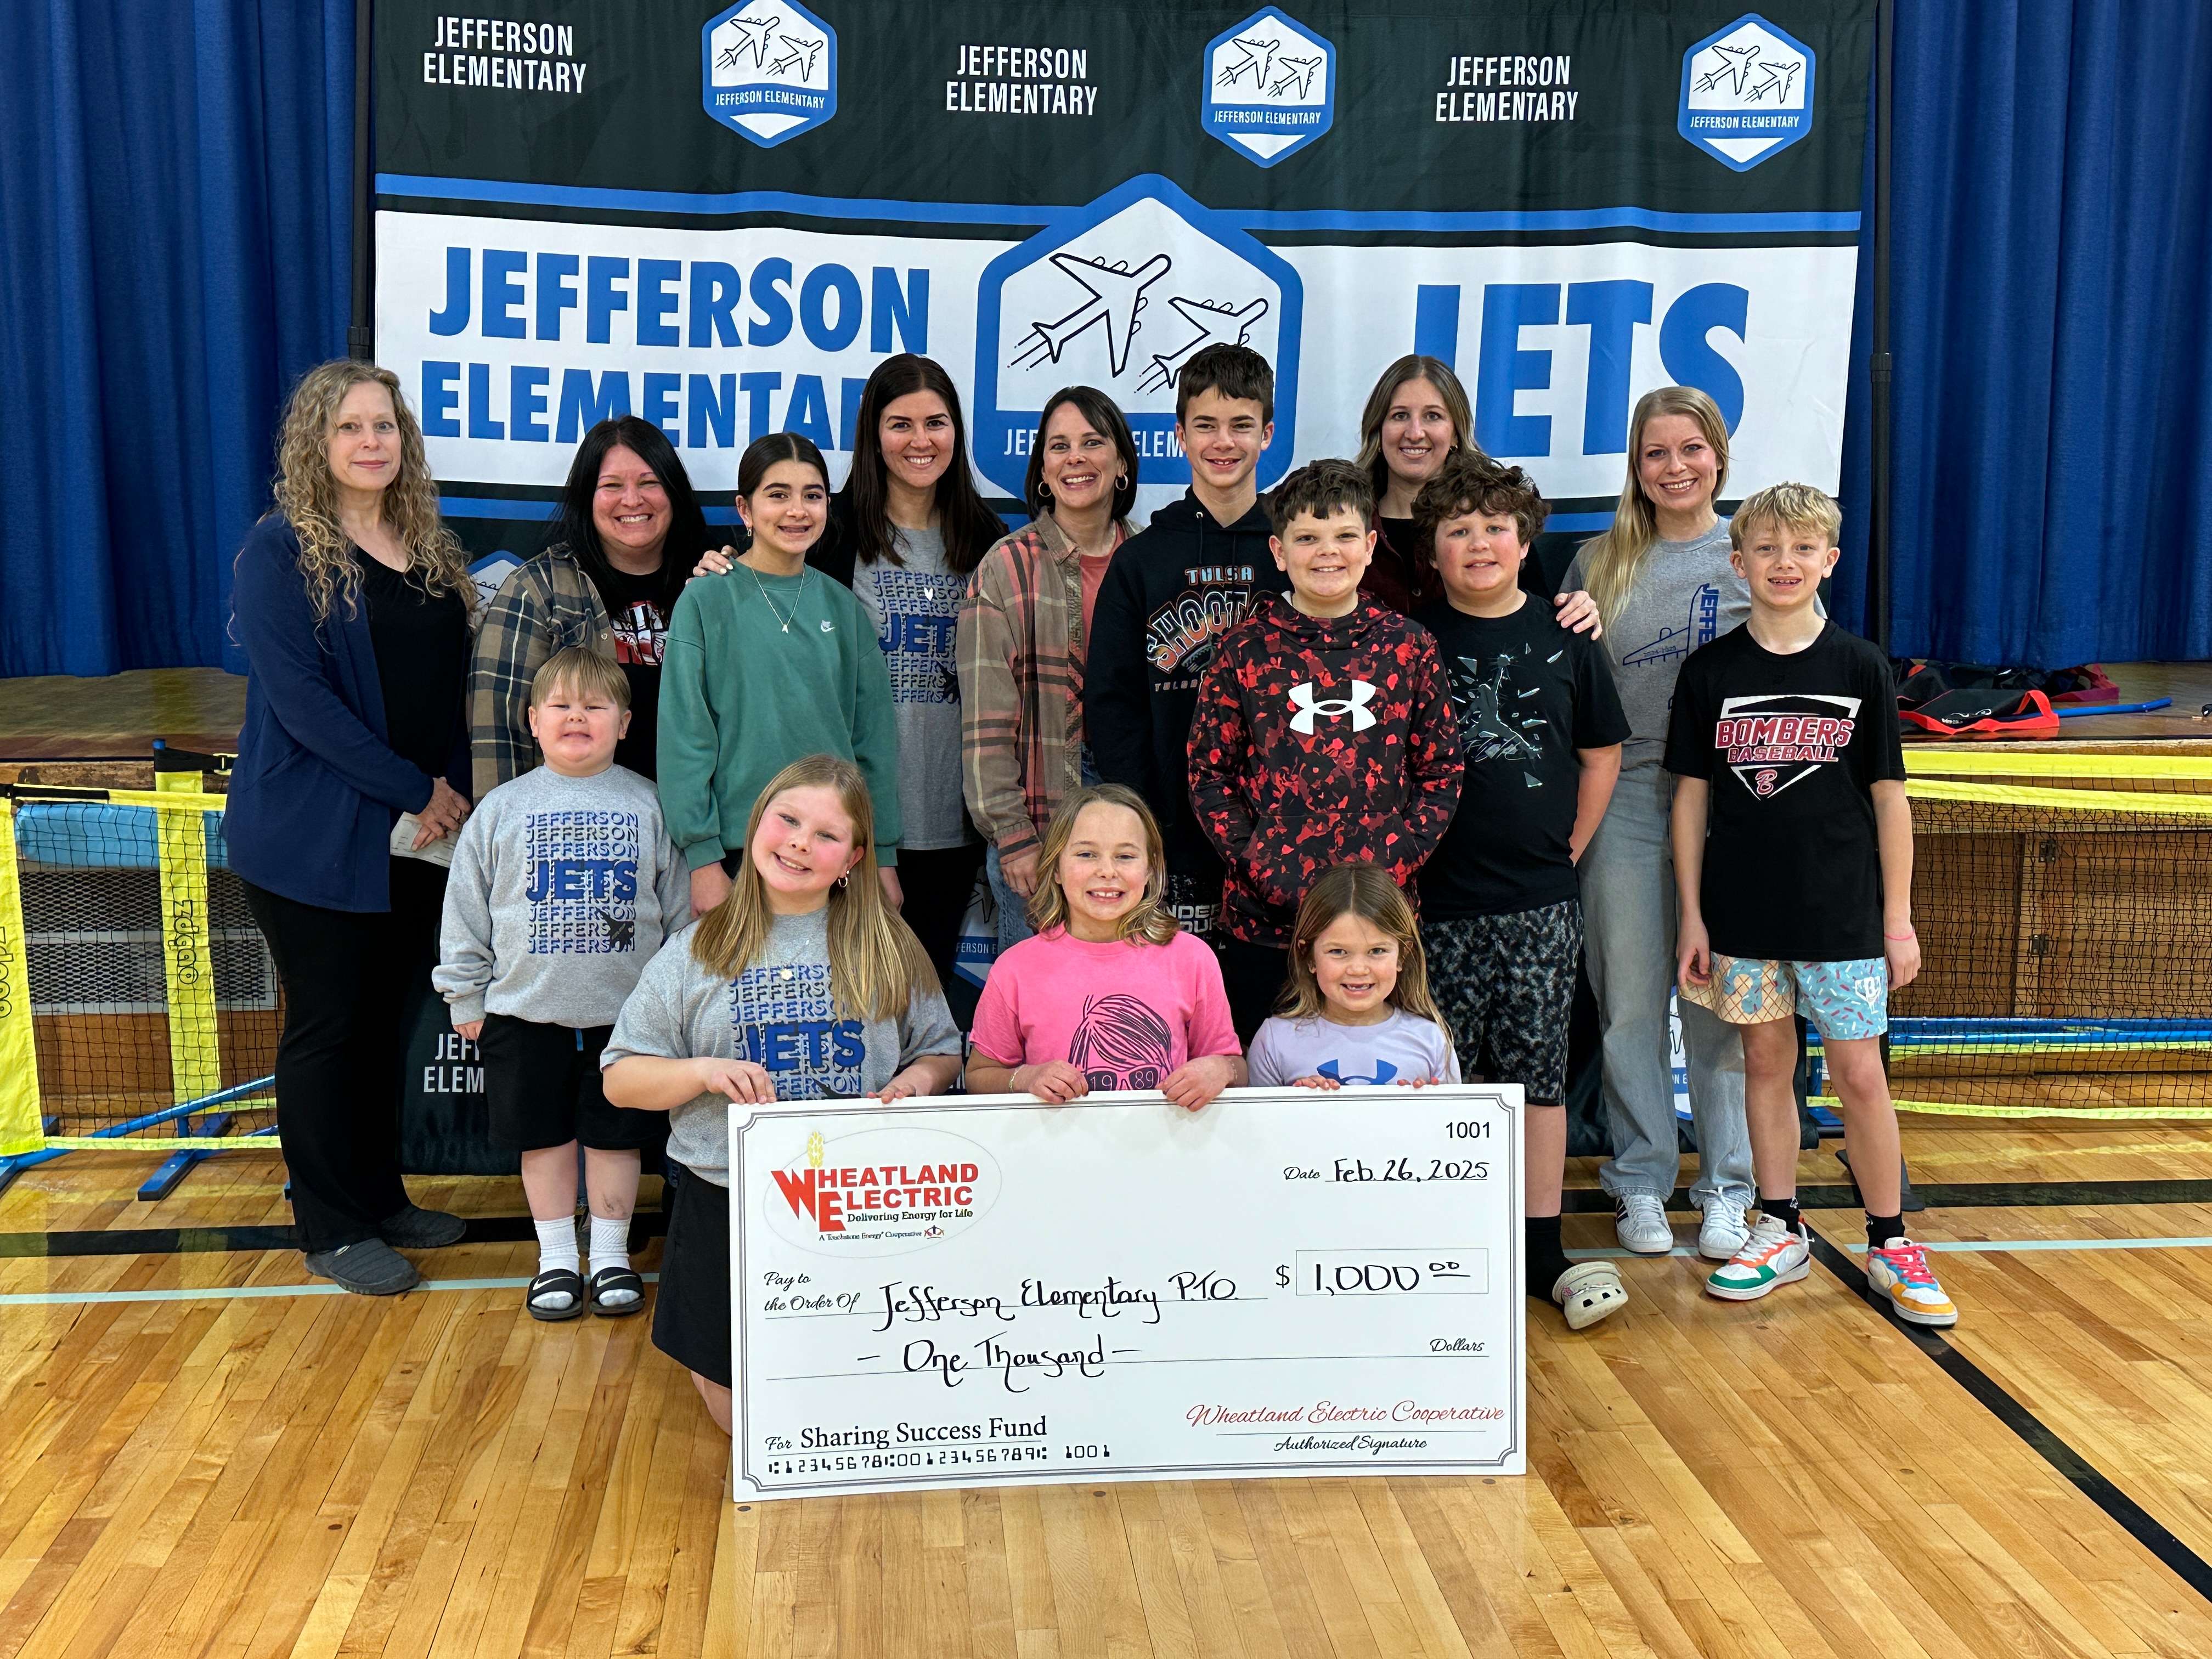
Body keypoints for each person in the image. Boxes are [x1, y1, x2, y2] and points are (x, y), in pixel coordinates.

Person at [601, 755, 964, 1432]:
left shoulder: (887, 945)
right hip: (726, 1195)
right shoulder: (696, 949)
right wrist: (703, 1073)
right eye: (788, 819)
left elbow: (942, 1049)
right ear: (757, 823)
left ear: (854, 858)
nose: (800, 841)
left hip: (860, 1202)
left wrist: (915, 1081)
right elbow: (620, 1078)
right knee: (733, 1400)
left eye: (826, 835)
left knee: (860, 1379)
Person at [1667, 484, 1956, 1327]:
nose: (1783, 564)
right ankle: (1780, 1225)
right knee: (1765, 1066)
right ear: (1739, 562)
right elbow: (1689, 801)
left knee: (1861, 1075)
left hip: (1843, 919)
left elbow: (1891, 800)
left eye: (1801, 550)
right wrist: (1692, 913)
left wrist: (1895, 918)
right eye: (1765, 549)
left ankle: (1891, 1238)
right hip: (1742, 917)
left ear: (1829, 561)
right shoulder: (1710, 672)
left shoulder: (1859, 665)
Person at [227, 360, 472, 1296]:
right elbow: (304, 706)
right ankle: (330, 1224)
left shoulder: (429, 546)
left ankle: (379, 1196)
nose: (372, 441)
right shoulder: (279, 551)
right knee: (329, 1026)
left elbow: (448, 682)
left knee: (382, 1025)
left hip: (418, 833)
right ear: (315, 444)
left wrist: (447, 790)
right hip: (310, 835)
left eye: (385, 426)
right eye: (350, 427)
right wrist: (416, 788)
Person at [1409, 455, 1632, 1331]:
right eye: (1458, 529)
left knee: (1537, 1077)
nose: (1478, 543)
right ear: (1432, 547)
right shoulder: (1411, 640)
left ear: (1524, 537)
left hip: (1541, 900)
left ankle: (1544, 1250)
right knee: (1449, 1074)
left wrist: (1568, 849)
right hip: (1437, 904)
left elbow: (1602, 751)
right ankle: (1453, 1242)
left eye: (1494, 527)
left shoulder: (1567, 633)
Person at [434, 648, 691, 1321]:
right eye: (561, 706)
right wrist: (466, 996)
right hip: (523, 1013)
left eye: (596, 706)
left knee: (616, 1140)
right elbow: (465, 912)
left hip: (627, 1024)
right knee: (543, 1141)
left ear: (626, 723)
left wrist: (675, 1006)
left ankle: (609, 1256)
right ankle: (555, 1260)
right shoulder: (500, 810)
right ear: (532, 721)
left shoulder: (651, 804)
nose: (578, 716)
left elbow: (682, 918)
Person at [1562, 385, 1758, 1260]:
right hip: (1629, 796)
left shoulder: (1754, 552)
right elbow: (1566, 692)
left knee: (1719, 1000)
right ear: (1635, 469)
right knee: (1630, 998)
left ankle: (1728, 1188)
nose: (1674, 467)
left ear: (1718, 454)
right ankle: (1641, 1179)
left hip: (1736, 804)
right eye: (1655, 453)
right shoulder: (1597, 562)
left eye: (1691, 449)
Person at [1187, 459, 1463, 1040]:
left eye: (1343, 537)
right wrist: (1260, 861)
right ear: (1279, 551)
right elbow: (1210, 775)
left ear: (1368, 546)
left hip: (1379, 927)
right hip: (1267, 925)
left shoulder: (1408, 648)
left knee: (1375, 1087)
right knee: (1266, 1093)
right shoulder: (1243, 651)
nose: (1327, 552)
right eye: (1308, 538)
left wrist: (1400, 854)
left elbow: (1441, 768)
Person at [1086, 343, 1290, 943]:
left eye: (1241, 426)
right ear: (1179, 434)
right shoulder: (1143, 560)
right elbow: (1112, 703)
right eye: (1205, 425)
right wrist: (1141, 825)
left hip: (1280, 835)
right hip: (1171, 833)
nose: (1222, 442)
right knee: (1177, 1013)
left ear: (1268, 434)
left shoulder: (1295, 551)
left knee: (1273, 1012)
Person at [812, 356, 1003, 996]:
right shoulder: (831, 535)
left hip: (955, 820)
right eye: (901, 424)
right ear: (873, 434)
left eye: (936, 423)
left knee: (924, 1007)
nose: (920, 441)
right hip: (855, 821)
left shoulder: (987, 539)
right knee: (851, 1002)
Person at [658, 433, 901, 922]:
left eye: (812, 495)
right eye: (778, 494)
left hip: (832, 851)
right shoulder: (705, 601)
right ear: (745, 510)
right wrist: (702, 859)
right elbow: (686, 738)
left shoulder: (843, 607)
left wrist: (883, 855)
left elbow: (873, 740)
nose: (797, 510)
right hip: (736, 853)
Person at [959, 386, 1139, 952]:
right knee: (1038, 1015)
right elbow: (987, 723)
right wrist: (1012, 836)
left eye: (1092, 442)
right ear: (1042, 469)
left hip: (1133, 831)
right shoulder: (1005, 568)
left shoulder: (1151, 560)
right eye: (1059, 446)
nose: (1075, 458)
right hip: (1040, 823)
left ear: (1122, 465)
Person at [470, 416, 715, 793]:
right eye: (611, 486)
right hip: (574, 835)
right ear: (587, 497)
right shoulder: (537, 590)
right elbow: (497, 736)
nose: (632, 500)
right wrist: (505, 838)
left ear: (674, 492)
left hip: (697, 836)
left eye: (650, 482)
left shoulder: (710, 584)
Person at [965, 786, 1243, 1109]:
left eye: (1125, 856)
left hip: (1170, 1153)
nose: (1107, 871)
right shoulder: (1015, 969)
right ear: (1055, 867)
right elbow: (979, 1076)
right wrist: (1026, 1078)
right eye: (1086, 854)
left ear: (1151, 868)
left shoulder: (1192, 958)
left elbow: (1236, 1067)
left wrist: (1221, 1069)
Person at [1353, 355, 1604, 635]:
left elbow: (1538, 620)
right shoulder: (1348, 523)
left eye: (1433, 416)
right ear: (1378, 429)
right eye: (1400, 416)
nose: (1415, 432)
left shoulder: (1500, 517)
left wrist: (1576, 610)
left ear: (1456, 434)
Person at [1246, 864, 1460, 1089]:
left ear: (1402, 956)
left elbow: (1455, 1121)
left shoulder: (1431, 1040)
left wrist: (1427, 1109)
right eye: (1338, 952)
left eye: (1377, 951)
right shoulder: (1274, 1041)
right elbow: (1254, 1123)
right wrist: (1296, 1105)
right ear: (1308, 956)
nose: (1358, 969)